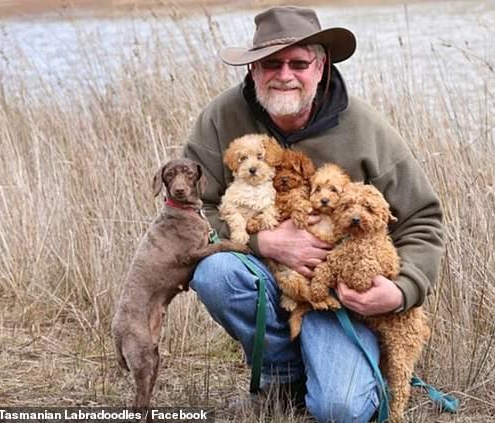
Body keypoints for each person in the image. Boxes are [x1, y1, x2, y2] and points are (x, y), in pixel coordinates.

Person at [183, 6, 444, 422]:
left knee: (342, 411)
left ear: (320, 67)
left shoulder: (367, 130)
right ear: (252, 69)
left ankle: (346, 369)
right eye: (271, 62)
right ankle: (284, 378)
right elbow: (192, 209)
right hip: (266, 274)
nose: (284, 73)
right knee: (215, 274)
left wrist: (400, 292)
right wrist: (262, 241)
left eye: (299, 62)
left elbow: (423, 219)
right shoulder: (220, 117)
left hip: (339, 298)